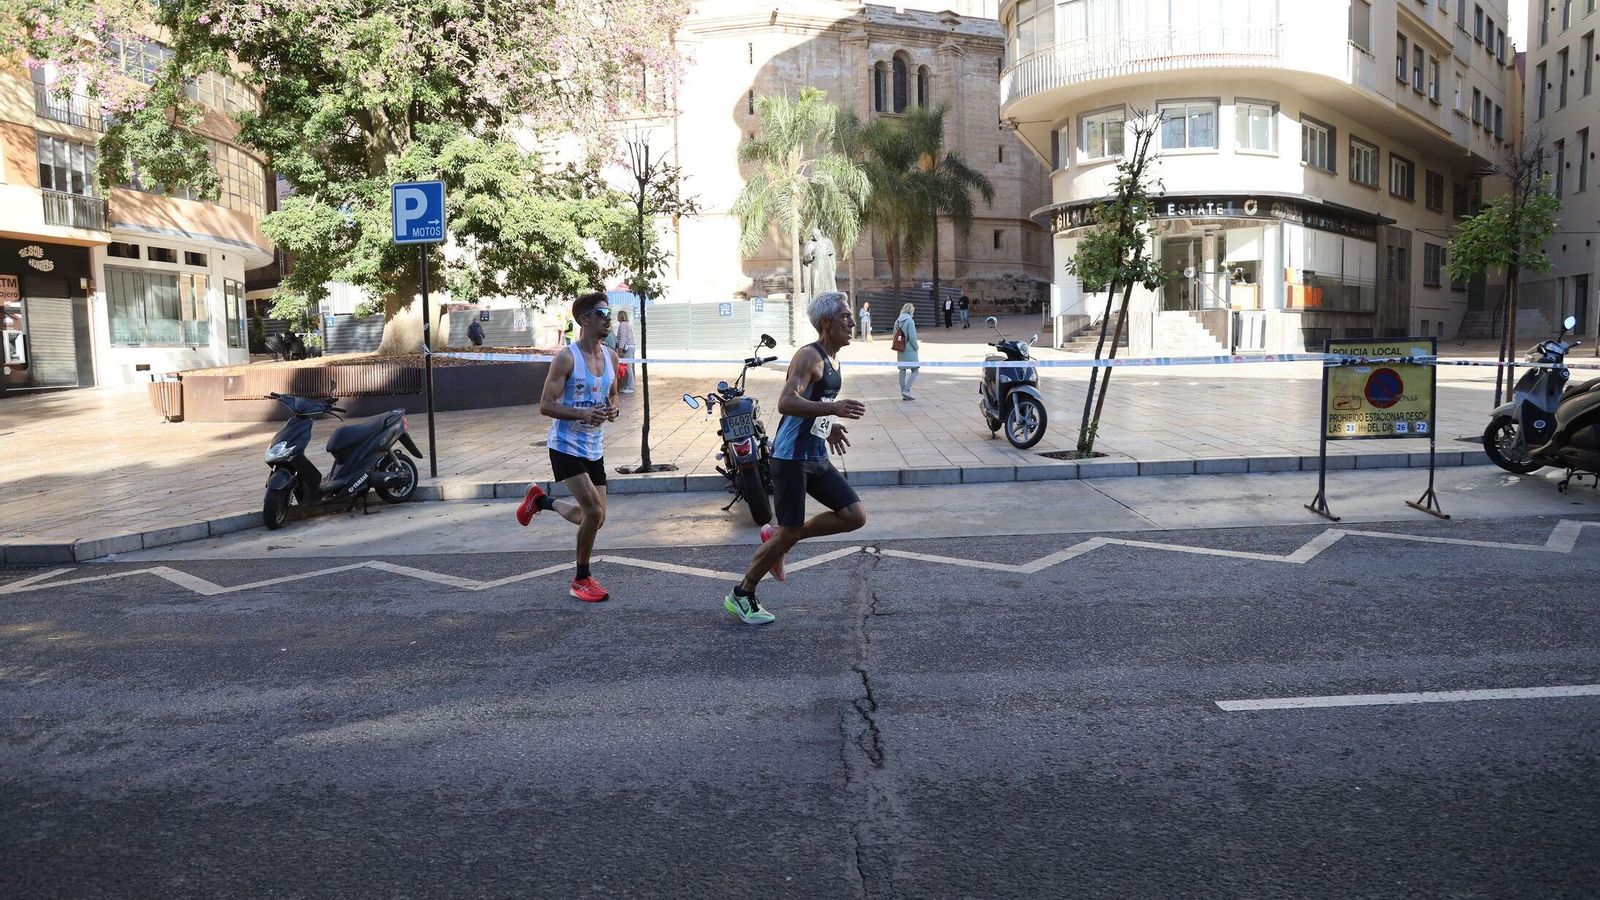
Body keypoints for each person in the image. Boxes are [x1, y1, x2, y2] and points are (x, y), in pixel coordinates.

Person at [724, 291, 867, 625]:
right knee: (787, 532)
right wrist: (832, 408)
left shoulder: (832, 359)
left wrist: (827, 425)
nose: (852, 321)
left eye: (851, 315)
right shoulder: (809, 357)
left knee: (854, 516)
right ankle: (741, 594)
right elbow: (787, 402)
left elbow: (814, 403)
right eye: (845, 316)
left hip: (814, 455)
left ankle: (782, 536)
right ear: (826, 323)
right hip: (790, 459)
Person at [517, 292, 620, 603]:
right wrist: (582, 413)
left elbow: (613, 395)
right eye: (602, 313)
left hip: (594, 446)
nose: (608, 319)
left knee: (596, 518)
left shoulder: (612, 356)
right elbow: (545, 405)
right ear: (584, 319)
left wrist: (611, 408)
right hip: (565, 445)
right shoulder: (566, 358)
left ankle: (541, 501)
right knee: (593, 511)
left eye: (609, 313)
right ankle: (581, 579)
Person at [895, 302, 920, 401]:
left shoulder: (897, 321)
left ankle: (904, 393)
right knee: (915, 370)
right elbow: (913, 337)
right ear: (911, 311)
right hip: (910, 349)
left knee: (902, 371)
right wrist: (916, 347)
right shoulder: (910, 321)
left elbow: (894, 336)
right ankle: (907, 389)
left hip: (900, 348)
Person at [614, 309, 636, 394]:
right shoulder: (627, 324)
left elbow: (623, 338)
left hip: (627, 348)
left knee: (628, 368)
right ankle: (629, 386)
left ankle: (631, 387)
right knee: (628, 367)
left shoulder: (622, 325)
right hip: (631, 347)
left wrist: (620, 348)